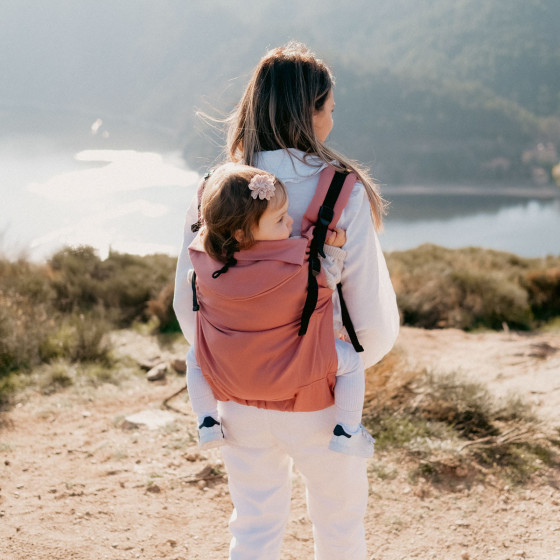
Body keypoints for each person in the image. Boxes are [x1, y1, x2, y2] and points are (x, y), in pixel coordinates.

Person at [174, 41, 399, 560]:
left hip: (236, 395)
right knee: (339, 527)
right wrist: (340, 366)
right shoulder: (341, 191)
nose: (331, 122)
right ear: (310, 111)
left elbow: (189, 303)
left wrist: (241, 360)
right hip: (318, 394)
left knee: (252, 525)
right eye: (330, 109)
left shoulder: (214, 186)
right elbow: (370, 320)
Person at [185, 162, 374, 458]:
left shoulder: (206, 265)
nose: (290, 223)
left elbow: (192, 289)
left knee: (194, 358)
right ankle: (348, 430)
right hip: (296, 372)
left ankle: (207, 419)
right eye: (279, 220)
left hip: (230, 370)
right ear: (242, 233)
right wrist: (334, 250)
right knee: (351, 363)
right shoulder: (299, 266)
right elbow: (328, 280)